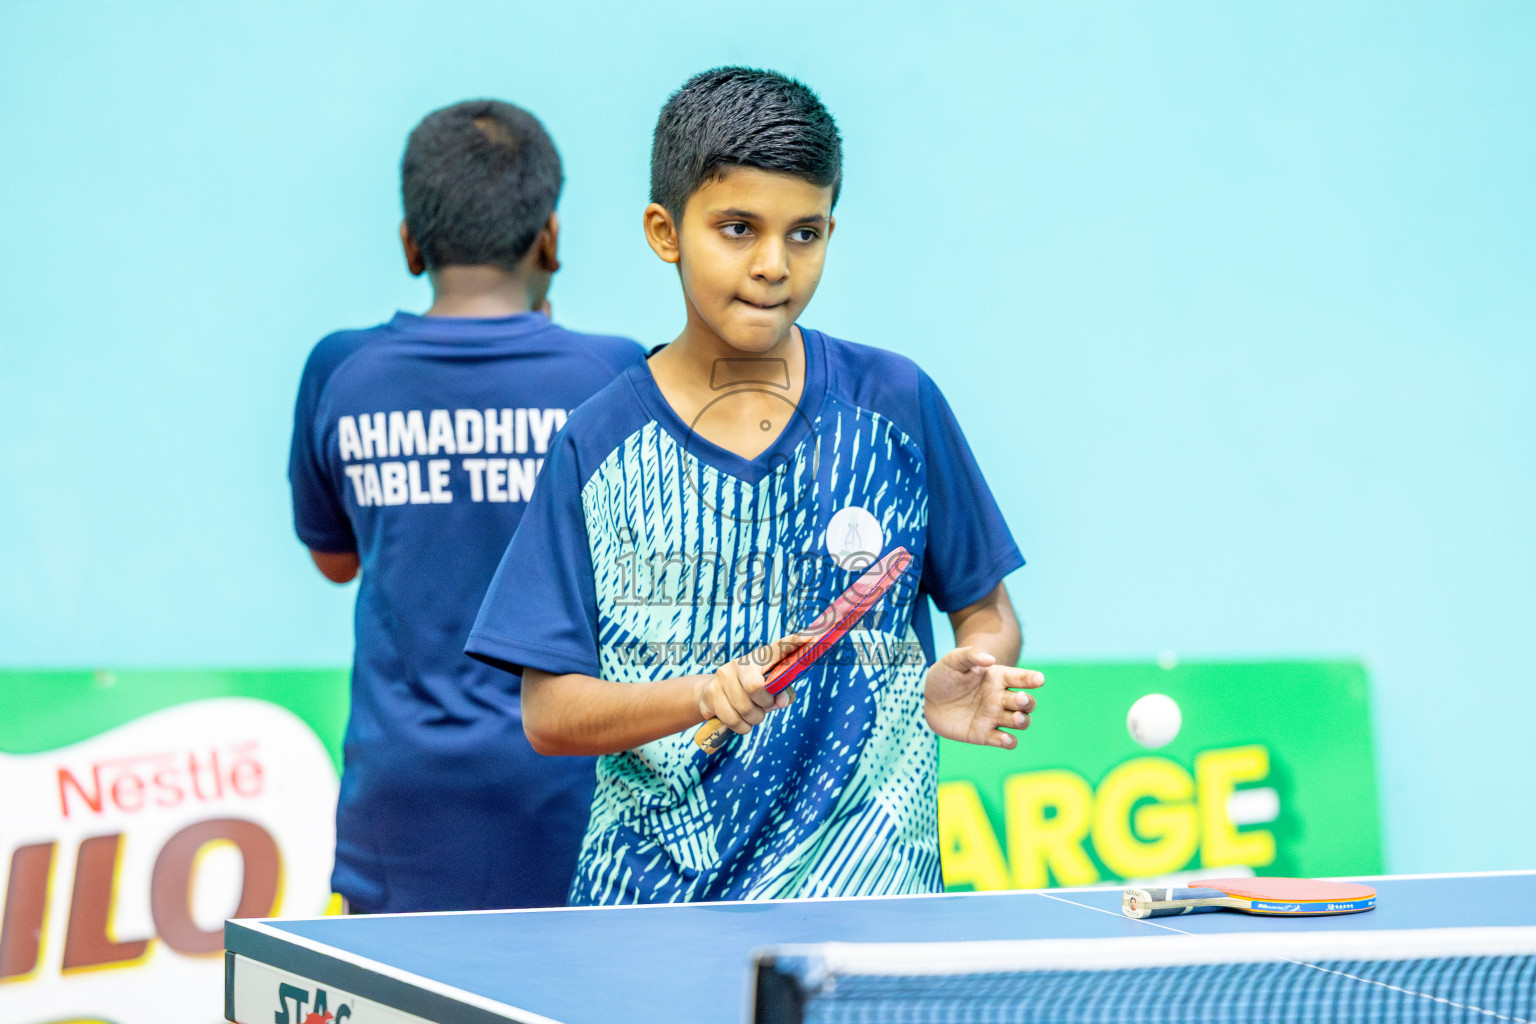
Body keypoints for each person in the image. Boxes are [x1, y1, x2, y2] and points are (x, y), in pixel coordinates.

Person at [466, 69, 1042, 905]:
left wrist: (973, 670)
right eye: (738, 229)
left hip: (870, 904)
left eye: (804, 234)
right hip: (650, 915)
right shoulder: (598, 442)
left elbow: (986, 612)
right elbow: (550, 715)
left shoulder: (897, 404)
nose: (774, 265)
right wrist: (701, 694)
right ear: (666, 232)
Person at [288, 99, 645, 912]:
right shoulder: (613, 375)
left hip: (399, 806)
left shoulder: (342, 371)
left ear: (409, 242)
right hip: (568, 800)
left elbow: (335, 560)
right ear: (549, 236)